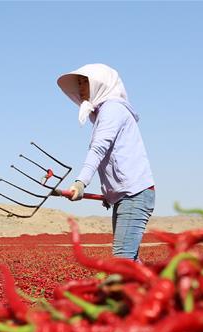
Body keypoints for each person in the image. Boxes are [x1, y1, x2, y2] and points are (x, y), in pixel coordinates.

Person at [57, 64, 155, 261]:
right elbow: (117, 159)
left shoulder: (112, 109)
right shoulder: (104, 113)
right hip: (127, 195)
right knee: (130, 261)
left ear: (100, 84)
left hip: (133, 195)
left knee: (122, 260)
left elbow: (99, 149)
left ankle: (162, 290)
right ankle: (163, 290)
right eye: (79, 83)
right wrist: (110, 193)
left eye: (85, 82)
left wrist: (81, 182)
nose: (81, 88)